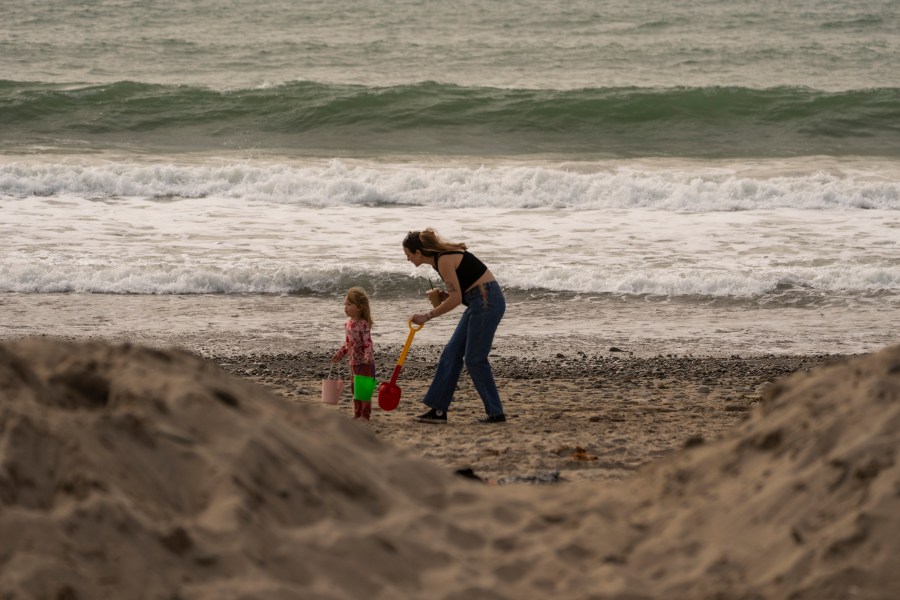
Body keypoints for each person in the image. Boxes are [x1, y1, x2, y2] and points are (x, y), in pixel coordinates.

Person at [403, 228, 507, 424]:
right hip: (478, 301)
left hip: (487, 300)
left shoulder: (443, 260)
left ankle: (496, 413)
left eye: (408, 255)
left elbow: (457, 298)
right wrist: (444, 297)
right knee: (451, 353)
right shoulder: (438, 261)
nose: (408, 259)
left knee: (475, 359)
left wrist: (428, 315)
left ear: (418, 252)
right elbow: (459, 293)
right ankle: (439, 411)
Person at [332, 287, 376, 420]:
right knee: (355, 389)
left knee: (363, 389)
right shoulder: (348, 324)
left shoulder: (363, 324)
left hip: (364, 362)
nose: (345, 307)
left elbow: (368, 342)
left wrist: (367, 356)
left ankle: (365, 414)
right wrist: (340, 354)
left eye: (349, 304)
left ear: (360, 307)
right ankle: (357, 413)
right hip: (353, 362)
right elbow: (348, 344)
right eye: (345, 304)